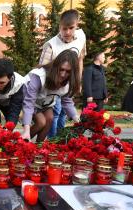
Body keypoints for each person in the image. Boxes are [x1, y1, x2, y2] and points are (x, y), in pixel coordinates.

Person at [39, 9, 85, 138]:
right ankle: (53, 141)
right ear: (60, 26)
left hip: (68, 84)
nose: (67, 32)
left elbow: (80, 58)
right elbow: (42, 69)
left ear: (77, 25)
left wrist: (77, 81)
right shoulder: (50, 45)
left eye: (71, 28)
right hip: (53, 85)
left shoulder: (81, 37)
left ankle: (60, 140)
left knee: (65, 113)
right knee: (55, 112)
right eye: (64, 29)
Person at [22, 50, 80, 142]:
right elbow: (29, 103)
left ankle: (38, 147)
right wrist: (26, 129)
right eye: (61, 69)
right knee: (41, 122)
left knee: (50, 118)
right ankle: (21, 142)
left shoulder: (68, 82)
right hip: (29, 99)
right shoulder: (39, 76)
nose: (63, 74)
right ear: (56, 66)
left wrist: (76, 118)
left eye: (68, 71)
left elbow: (67, 101)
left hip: (45, 102)